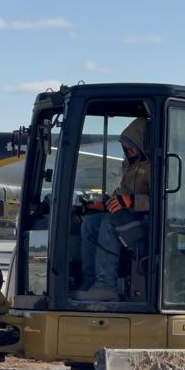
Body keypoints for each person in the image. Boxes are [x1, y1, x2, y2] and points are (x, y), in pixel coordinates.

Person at [74, 117, 151, 301]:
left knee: (110, 224)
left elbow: (166, 201)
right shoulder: (130, 164)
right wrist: (107, 202)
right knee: (90, 223)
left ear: (142, 144)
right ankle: (90, 281)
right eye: (127, 148)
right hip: (128, 216)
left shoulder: (155, 167)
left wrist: (131, 201)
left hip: (147, 221)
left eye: (132, 147)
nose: (129, 151)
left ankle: (106, 286)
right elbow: (122, 193)